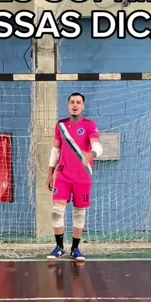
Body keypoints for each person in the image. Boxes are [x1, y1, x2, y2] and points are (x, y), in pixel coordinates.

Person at [47, 92, 102, 261]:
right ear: (68, 105)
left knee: (79, 213)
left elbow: (97, 146)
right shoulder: (61, 125)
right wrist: (50, 173)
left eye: (78, 102)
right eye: (72, 102)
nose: (75, 105)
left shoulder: (90, 125)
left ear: (83, 106)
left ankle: (75, 249)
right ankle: (59, 248)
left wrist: (91, 154)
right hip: (63, 175)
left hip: (82, 177)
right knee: (56, 212)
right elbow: (56, 150)